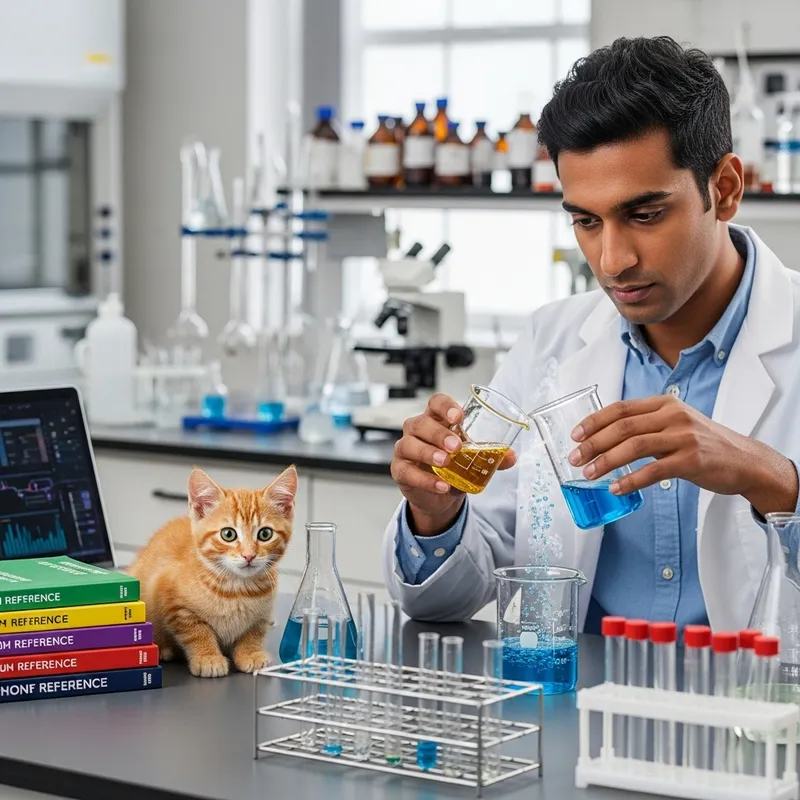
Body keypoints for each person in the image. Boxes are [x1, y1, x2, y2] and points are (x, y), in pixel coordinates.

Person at [381, 35, 800, 633]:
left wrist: (773, 479)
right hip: (578, 715)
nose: (611, 261)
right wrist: (435, 513)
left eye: (645, 215)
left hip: (756, 716)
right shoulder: (552, 339)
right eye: (585, 220)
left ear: (725, 189)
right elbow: (450, 599)